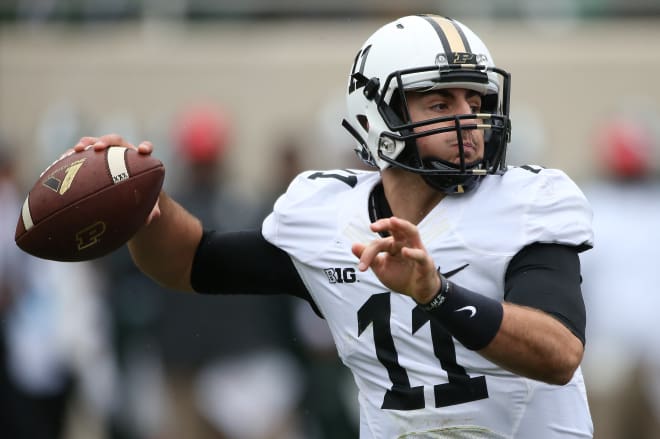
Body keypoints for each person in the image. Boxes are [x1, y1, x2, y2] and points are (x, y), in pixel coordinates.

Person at [70, 15, 594, 438]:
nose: (468, 121)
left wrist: (435, 293)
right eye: (441, 102)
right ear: (377, 115)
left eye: (473, 102)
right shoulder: (325, 216)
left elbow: (559, 353)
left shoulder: (527, 201)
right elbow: (191, 261)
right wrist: (142, 205)